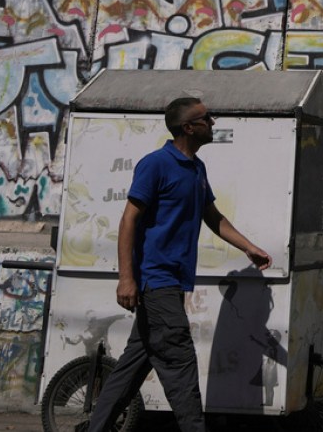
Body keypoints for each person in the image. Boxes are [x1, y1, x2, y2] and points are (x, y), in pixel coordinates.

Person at [87, 97, 271, 432]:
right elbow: (128, 220)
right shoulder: (155, 165)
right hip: (156, 281)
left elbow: (212, 216)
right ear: (188, 127)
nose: (212, 122)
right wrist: (126, 278)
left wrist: (249, 247)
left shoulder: (197, 168)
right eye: (206, 118)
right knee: (180, 362)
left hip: (172, 282)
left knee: (132, 367)